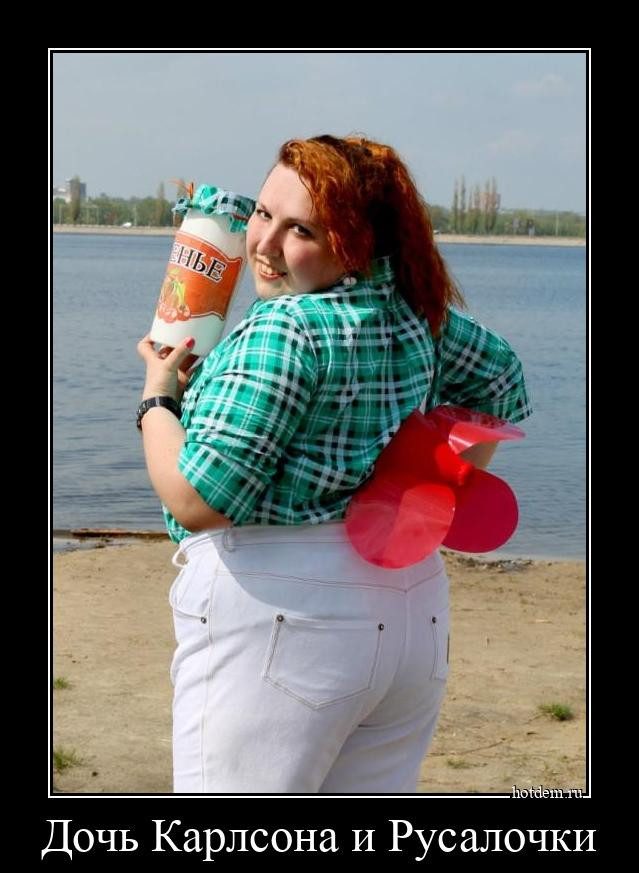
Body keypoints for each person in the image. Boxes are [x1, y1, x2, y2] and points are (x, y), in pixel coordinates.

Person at [137, 134, 532, 794]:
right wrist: (416, 488)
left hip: (282, 612)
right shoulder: (416, 312)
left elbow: (197, 500)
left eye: (302, 231)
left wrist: (157, 397)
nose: (264, 245)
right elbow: (500, 382)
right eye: (263, 214)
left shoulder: (285, 327)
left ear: (357, 243)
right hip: (408, 603)